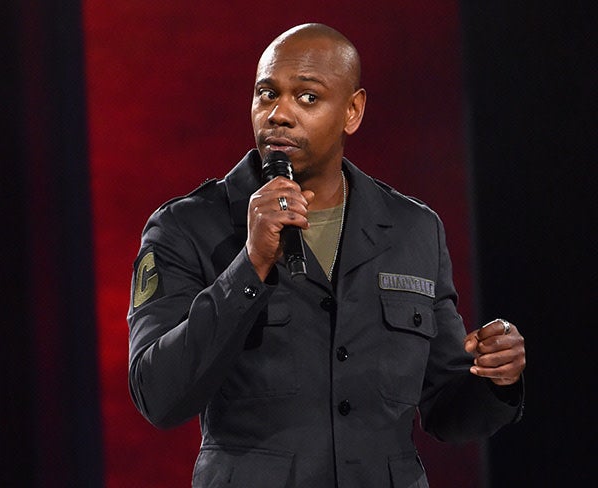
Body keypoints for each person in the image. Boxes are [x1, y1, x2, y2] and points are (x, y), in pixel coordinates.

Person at [128, 23, 525, 488]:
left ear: (352, 111)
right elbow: (158, 396)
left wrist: (496, 379)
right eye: (266, 94)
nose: (278, 114)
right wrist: (250, 265)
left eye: (307, 97)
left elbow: (446, 409)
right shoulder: (188, 226)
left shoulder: (413, 229)